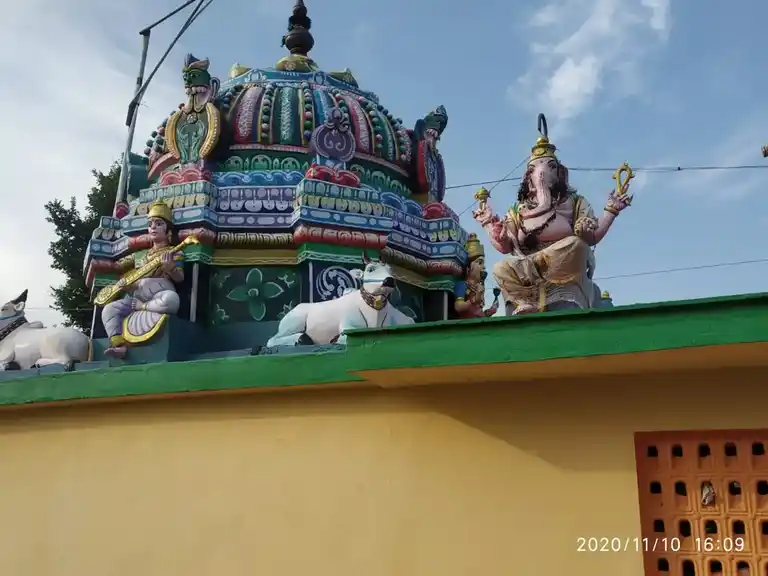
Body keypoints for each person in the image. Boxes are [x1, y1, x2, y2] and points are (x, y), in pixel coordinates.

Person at [102, 200, 184, 358]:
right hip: (136, 298)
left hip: (158, 298)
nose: (153, 227)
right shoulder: (141, 256)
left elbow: (180, 278)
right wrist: (128, 286)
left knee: (172, 299)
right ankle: (119, 345)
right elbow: (128, 276)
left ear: (167, 229)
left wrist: (170, 269)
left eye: (158, 223)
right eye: (150, 223)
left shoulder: (175, 252)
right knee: (109, 309)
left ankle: (143, 307)